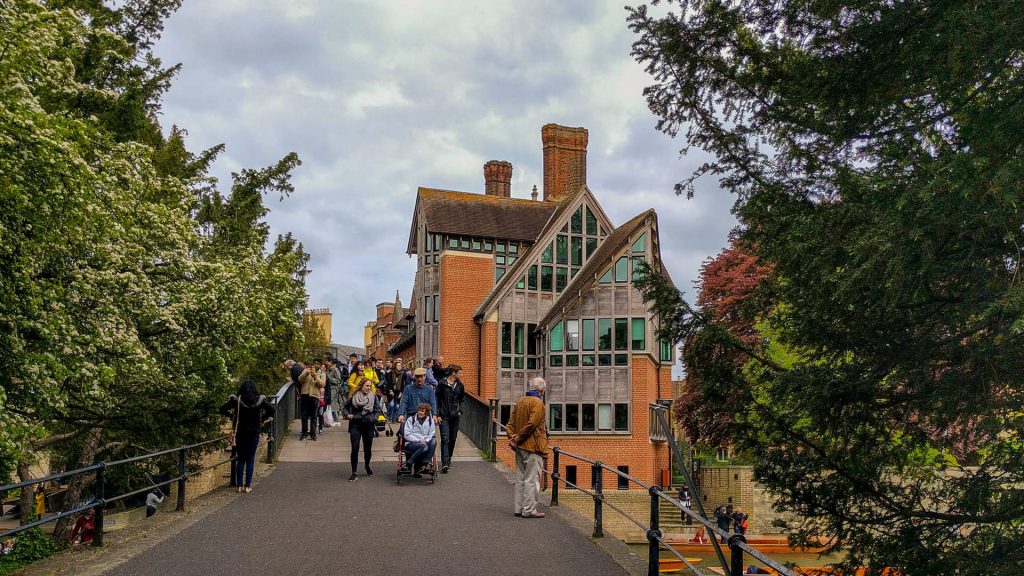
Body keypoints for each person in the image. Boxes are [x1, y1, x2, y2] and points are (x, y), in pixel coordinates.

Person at [220, 380, 276, 492]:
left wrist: (232, 416)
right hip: (254, 431)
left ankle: (239, 486)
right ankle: (248, 486)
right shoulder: (259, 400)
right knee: (250, 459)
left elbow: (222, 409)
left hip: (240, 431)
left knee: (240, 459)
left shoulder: (237, 400)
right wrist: (262, 419)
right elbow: (272, 409)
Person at [507, 377, 547, 519]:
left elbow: (510, 423)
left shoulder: (520, 401)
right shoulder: (538, 403)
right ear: (542, 390)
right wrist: (516, 439)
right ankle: (529, 509)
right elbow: (532, 424)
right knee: (532, 479)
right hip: (533, 446)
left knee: (520, 478)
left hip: (520, 447)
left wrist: (512, 438)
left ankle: (519, 508)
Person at [344, 380, 381, 481]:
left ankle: (367, 465)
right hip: (355, 424)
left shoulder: (373, 397)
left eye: (370, 386)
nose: (368, 388)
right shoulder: (353, 396)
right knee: (355, 448)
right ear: (361, 386)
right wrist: (348, 415)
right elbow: (345, 408)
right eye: (366, 386)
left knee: (367, 449)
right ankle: (354, 472)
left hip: (368, 425)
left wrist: (374, 418)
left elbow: (377, 410)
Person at [436, 363, 465, 473]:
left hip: (455, 415)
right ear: (453, 373)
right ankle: (445, 463)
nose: (461, 374)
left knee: (453, 438)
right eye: (460, 373)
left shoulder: (460, 385)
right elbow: (437, 399)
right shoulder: (442, 384)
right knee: (445, 439)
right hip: (444, 415)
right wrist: (438, 414)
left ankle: (449, 459)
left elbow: (462, 399)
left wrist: (460, 410)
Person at [402, 403, 437, 477]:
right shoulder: (410, 420)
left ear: (426, 412)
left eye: (422, 411)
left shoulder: (431, 421)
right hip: (411, 443)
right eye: (419, 410)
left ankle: (424, 464)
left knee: (433, 441)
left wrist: (426, 440)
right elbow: (407, 435)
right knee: (424, 447)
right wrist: (418, 440)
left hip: (425, 442)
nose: (420, 412)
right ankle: (409, 463)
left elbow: (431, 434)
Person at [298, 361, 325, 441]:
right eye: (314, 363)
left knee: (314, 416)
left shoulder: (322, 374)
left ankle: (313, 434)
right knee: (304, 415)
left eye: (318, 364)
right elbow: (299, 379)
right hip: (305, 394)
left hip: (315, 396)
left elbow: (322, 385)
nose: (315, 365)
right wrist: (306, 373)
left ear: (320, 366)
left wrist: (315, 376)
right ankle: (304, 433)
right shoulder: (306, 370)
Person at [325, 356, 342, 423]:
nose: (326, 362)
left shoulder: (335, 369)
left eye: (327, 361)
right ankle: (330, 420)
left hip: (334, 389)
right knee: (330, 404)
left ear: (330, 362)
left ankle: (336, 420)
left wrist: (329, 378)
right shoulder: (329, 369)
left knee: (333, 404)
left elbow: (338, 380)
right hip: (328, 389)